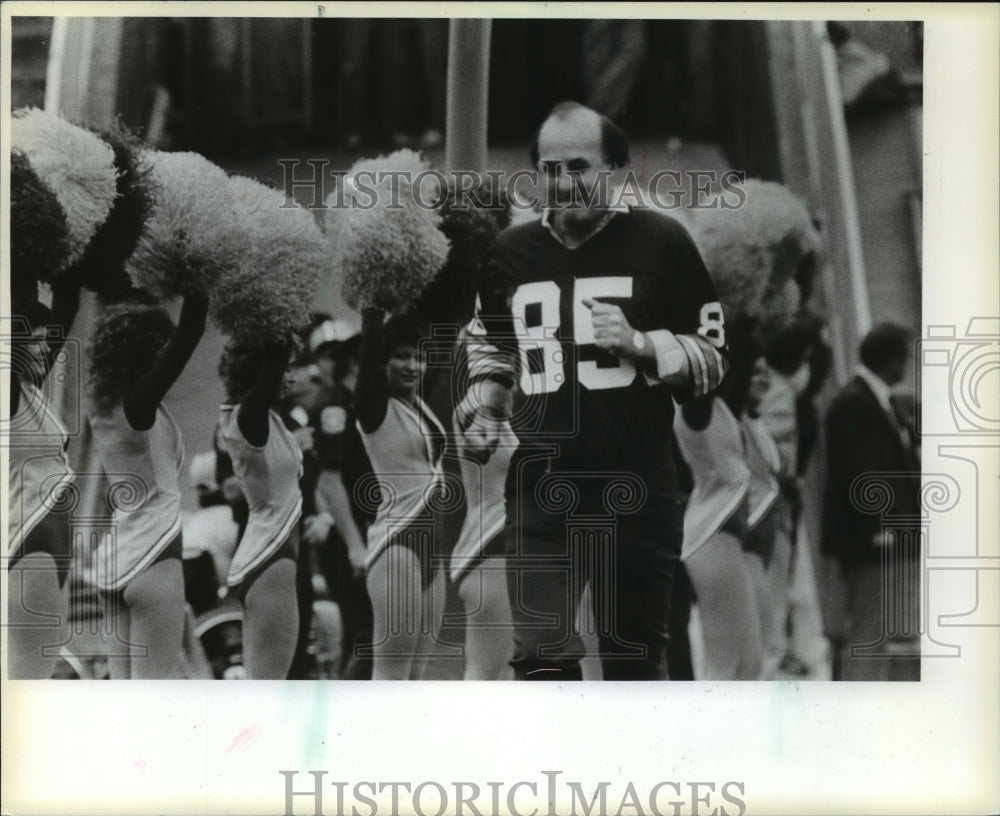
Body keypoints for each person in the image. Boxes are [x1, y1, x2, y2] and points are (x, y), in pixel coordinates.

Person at [460, 101, 728, 680]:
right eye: (550, 169)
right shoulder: (510, 253)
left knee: (633, 664)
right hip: (541, 485)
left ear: (618, 170)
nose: (563, 182)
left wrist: (643, 344)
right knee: (539, 659)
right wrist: (487, 400)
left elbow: (714, 358)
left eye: (579, 167)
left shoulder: (663, 241)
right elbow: (490, 346)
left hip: (635, 484)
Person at [87, 294, 208, 679]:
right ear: (143, 354)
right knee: (155, 702)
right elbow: (190, 333)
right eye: (158, 350)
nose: (165, 358)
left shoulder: (103, 407)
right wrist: (199, 273)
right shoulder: (138, 406)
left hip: (116, 562)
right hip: (154, 559)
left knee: (126, 705)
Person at [822, 322, 921, 681]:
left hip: (881, 541)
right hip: (872, 544)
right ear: (891, 359)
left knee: (873, 634)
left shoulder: (874, 402)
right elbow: (861, 475)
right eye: (905, 358)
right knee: (867, 633)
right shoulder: (856, 405)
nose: (907, 366)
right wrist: (878, 529)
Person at [355, 310, 449, 680]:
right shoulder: (373, 407)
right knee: (391, 679)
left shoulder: (417, 403)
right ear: (383, 361)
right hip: (397, 546)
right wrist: (374, 306)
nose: (414, 366)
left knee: (417, 679)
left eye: (420, 357)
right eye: (402, 356)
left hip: (431, 549)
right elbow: (369, 347)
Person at [7, 281, 81, 679]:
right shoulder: (8, 395)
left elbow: (64, 311)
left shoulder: (29, 389)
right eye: (33, 341)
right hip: (28, 540)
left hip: (50, 544)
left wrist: (78, 257)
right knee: (27, 679)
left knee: (41, 667)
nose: (45, 347)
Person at [216, 338, 302, 679]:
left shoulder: (265, 418)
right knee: (267, 690)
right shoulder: (249, 417)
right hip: (270, 555)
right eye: (286, 370)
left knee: (262, 685)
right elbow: (275, 355)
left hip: (270, 554)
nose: (290, 377)